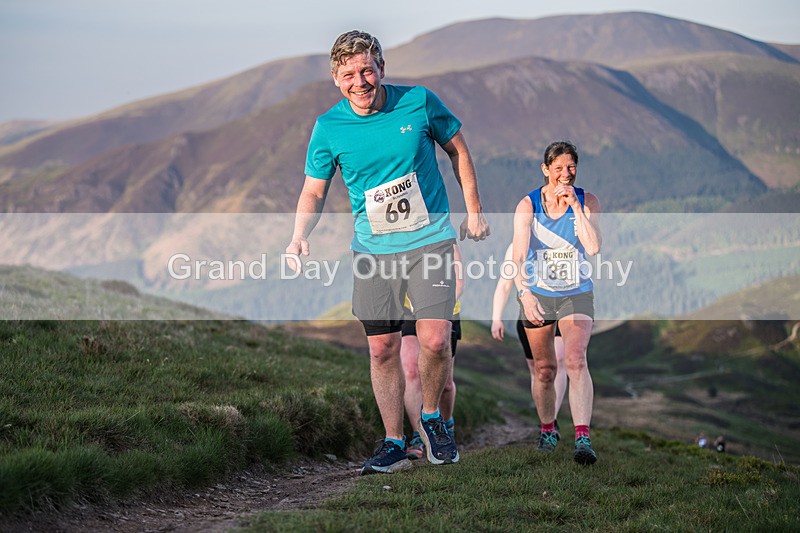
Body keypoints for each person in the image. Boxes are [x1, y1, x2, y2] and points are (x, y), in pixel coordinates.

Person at [285, 30, 490, 475]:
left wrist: (473, 210)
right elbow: (313, 192)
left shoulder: (417, 101)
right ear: (336, 80)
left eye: (366, 70)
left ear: (381, 69)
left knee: (435, 340)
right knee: (382, 349)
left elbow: (458, 150)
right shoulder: (329, 127)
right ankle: (395, 440)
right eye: (348, 74)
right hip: (374, 251)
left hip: (431, 239)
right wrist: (300, 235)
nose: (359, 81)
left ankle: (433, 420)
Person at [512, 141, 601, 465]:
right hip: (538, 293)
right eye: (559, 168)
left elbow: (592, 248)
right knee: (546, 370)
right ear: (546, 169)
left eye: (571, 167)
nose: (566, 174)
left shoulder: (587, 200)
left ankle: (582, 438)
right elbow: (519, 255)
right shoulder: (528, 205)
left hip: (576, 291)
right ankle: (548, 429)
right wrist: (525, 293)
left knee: (576, 360)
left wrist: (576, 209)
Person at [491, 243, 567, 439]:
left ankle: (553, 419)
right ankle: (546, 418)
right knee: (538, 371)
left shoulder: (561, 238)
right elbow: (504, 283)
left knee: (558, 361)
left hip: (561, 311)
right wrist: (496, 317)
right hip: (530, 315)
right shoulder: (516, 245)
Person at [403, 243, 464, 460]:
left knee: (446, 384)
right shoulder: (404, 237)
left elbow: (458, 282)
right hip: (408, 311)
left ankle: (445, 427)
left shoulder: (447, 241)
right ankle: (419, 433)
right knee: (411, 371)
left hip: (444, 311)